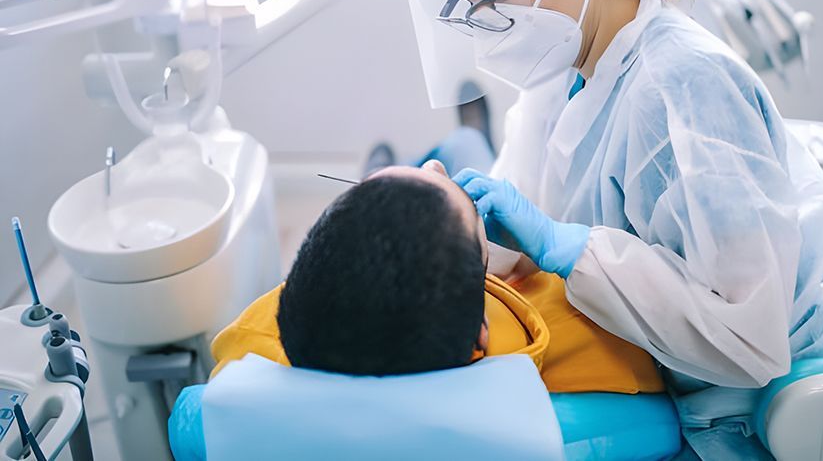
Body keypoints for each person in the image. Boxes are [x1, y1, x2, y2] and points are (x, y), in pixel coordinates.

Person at [394, 0, 823, 459]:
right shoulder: (568, 66)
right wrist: (442, 218)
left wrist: (565, 247)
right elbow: (519, 200)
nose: (486, 19)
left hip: (767, 407)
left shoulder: (685, 87)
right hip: (677, 361)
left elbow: (751, 337)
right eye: (470, 4)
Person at [211, 160, 665, 396]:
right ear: (480, 335)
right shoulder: (588, 341)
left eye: (367, 188)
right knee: (463, 144)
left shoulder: (252, 340)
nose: (435, 173)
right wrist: (542, 254)